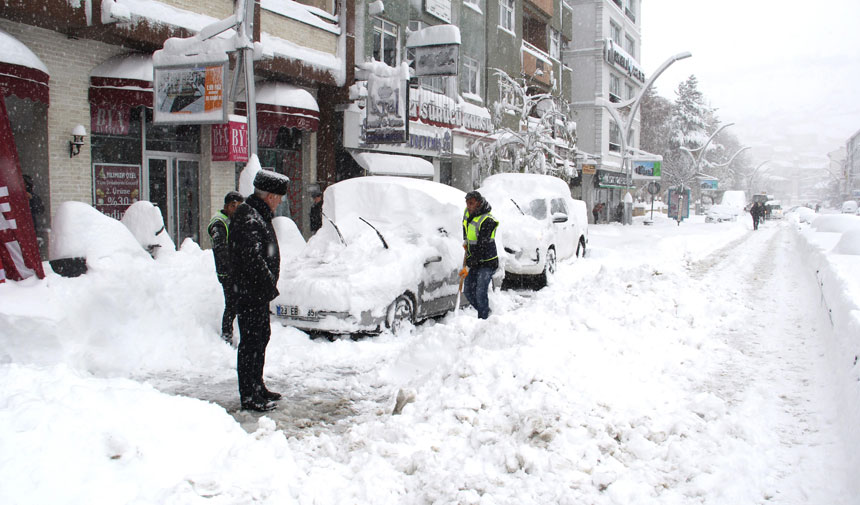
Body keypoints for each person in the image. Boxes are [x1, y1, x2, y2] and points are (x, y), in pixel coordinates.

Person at [229, 170, 289, 412]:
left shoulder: (257, 214)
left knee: (260, 338)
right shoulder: (249, 217)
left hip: (256, 293)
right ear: (270, 196)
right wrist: (268, 286)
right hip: (250, 293)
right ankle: (249, 394)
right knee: (251, 343)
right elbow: (252, 259)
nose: (281, 202)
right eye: (279, 197)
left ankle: (257, 385)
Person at [208, 191, 244, 346]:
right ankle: (226, 335)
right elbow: (220, 249)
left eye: (239, 207)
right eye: (234, 206)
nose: (236, 210)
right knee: (231, 303)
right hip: (227, 272)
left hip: (234, 270)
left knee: (235, 302)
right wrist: (231, 266)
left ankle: (229, 333)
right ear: (227, 206)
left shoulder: (230, 220)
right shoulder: (219, 223)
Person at [459, 190, 499, 320]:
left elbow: (481, 247)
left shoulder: (488, 221)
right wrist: (465, 240)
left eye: (471, 203)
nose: (468, 206)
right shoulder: (467, 213)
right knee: (468, 292)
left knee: (480, 292)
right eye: (467, 203)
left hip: (487, 261)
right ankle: (485, 312)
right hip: (474, 260)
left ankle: (484, 320)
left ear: (479, 203)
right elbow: (465, 227)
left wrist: (468, 267)